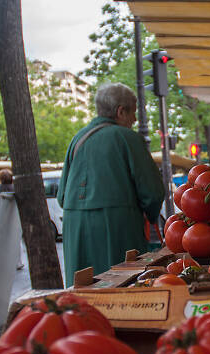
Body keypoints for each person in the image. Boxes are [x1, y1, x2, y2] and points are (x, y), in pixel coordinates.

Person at [58, 82, 165, 286]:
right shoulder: (129, 138)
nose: (134, 120)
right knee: (122, 287)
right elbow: (153, 192)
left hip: (75, 228)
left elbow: (62, 196)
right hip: (117, 226)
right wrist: (150, 216)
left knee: (82, 290)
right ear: (120, 111)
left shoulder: (77, 139)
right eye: (133, 113)